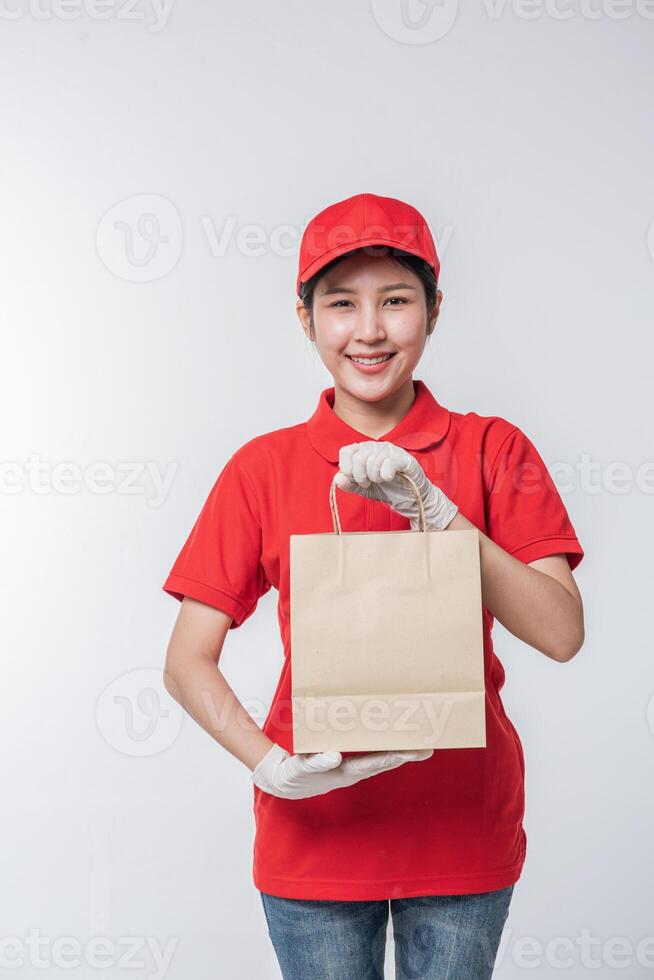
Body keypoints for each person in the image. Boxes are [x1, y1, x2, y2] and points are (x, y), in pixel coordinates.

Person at [161, 192, 585, 979]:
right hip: (315, 831)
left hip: (462, 828)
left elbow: (561, 631)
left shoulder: (495, 450)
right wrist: (266, 764)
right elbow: (186, 659)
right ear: (305, 319)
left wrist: (446, 516)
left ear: (433, 310)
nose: (368, 330)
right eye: (340, 304)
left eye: (395, 301)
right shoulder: (263, 469)